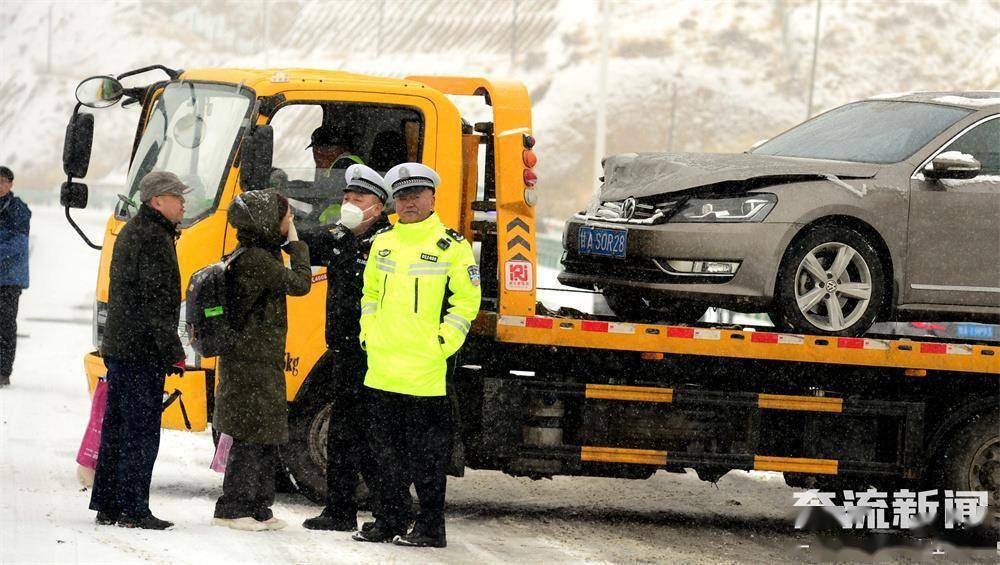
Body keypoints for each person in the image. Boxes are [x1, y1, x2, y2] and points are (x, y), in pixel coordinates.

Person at [352, 163, 481, 548]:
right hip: (382, 370)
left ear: (432, 198)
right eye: (403, 196)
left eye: (416, 195)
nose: (409, 203)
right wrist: (368, 334)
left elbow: (466, 302)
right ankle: (388, 518)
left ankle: (429, 528)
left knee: (426, 460)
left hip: (425, 374)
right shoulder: (383, 242)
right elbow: (370, 294)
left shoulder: (451, 246)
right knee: (382, 455)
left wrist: (443, 343)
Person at [90, 171, 190, 529]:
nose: (183, 203)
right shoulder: (153, 237)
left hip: (124, 345)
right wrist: (172, 351)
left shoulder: (137, 231)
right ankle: (133, 507)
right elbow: (156, 302)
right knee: (140, 431)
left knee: (118, 426)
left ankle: (109, 504)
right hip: (140, 350)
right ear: (156, 201)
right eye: (177, 196)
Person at [212, 189, 311, 531]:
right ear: (269, 221)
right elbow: (300, 284)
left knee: (265, 431)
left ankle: (258, 507)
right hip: (250, 361)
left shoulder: (256, 254)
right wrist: (297, 245)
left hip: (257, 359)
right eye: (287, 218)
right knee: (250, 434)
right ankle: (233, 507)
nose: (289, 222)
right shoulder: (255, 259)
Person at [300, 164, 392, 532]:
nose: (351, 203)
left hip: (379, 353)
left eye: (360, 198)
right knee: (342, 433)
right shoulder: (339, 237)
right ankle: (339, 511)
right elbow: (301, 243)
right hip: (343, 350)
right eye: (347, 197)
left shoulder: (388, 244)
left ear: (379, 206)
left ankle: (388, 512)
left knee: (377, 435)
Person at [0, 166, 29, 388]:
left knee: (6, 325)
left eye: (3, 181)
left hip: (9, 280)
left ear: (11, 184)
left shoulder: (18, 209)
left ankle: (3, 371)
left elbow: (19, 244)